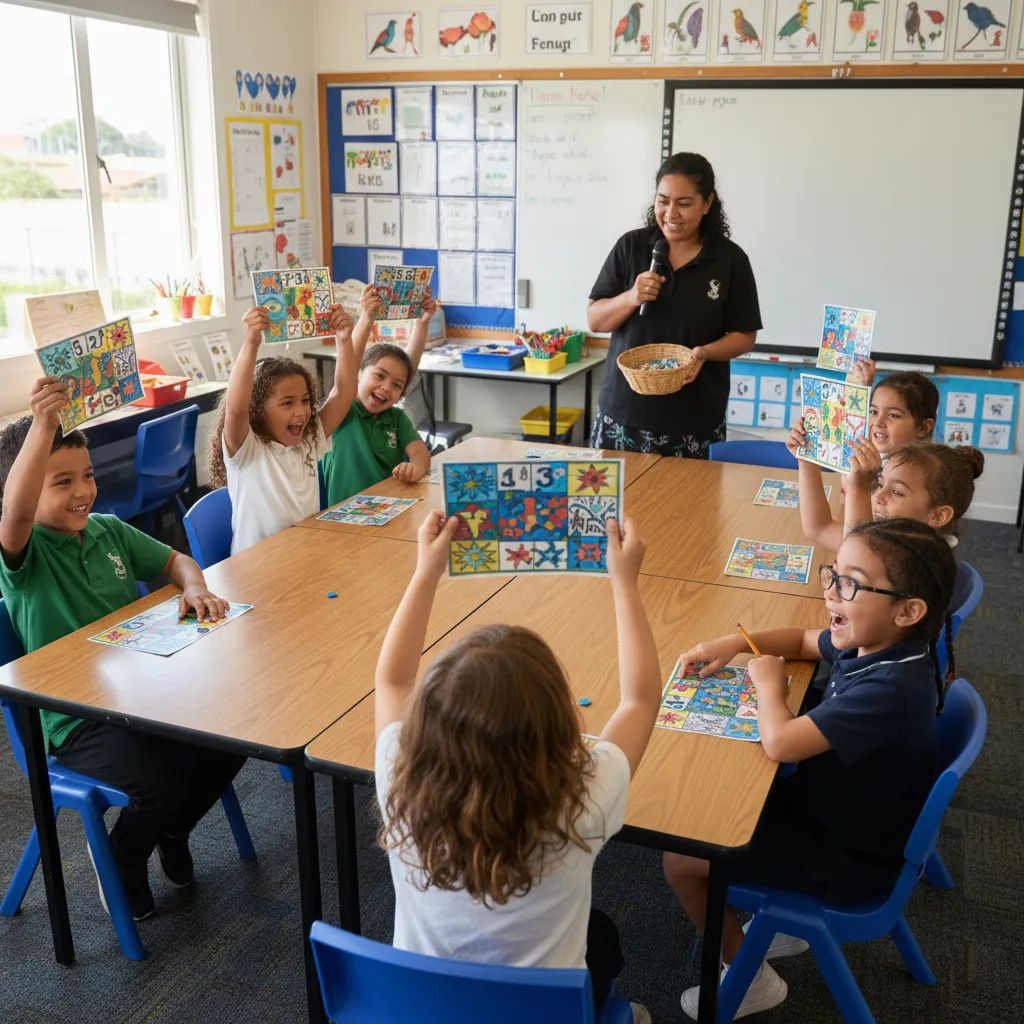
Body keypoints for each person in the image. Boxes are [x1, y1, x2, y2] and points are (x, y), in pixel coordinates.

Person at [663, 517, 957, 1019]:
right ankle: (771, 933)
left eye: (851, 584)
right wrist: (736, 642)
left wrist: (769, 688)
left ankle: (750, 978)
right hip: (841, 813)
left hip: (846, 860)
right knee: (721, 792)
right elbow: (803, 639)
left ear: (908, 610)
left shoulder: (890, 690)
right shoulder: (886, 646)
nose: (832, 594)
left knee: (681, 859)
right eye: (833, 575)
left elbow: (779, 742)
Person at [373, 511, 661, 1022]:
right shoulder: (584, 803)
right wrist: (626, 583)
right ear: (556, 728)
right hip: (539, 1015)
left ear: (425, 726)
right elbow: (639, 701)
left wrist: (425, 572)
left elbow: (392, 682)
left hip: (421, 1011)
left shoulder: (400, 772)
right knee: (603, 938)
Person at [0, 379, 243, 921]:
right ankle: (125, 856)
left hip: (141, 694)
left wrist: (195, 586)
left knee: (235, 738)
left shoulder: (108, 530)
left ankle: (173, 828)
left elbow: (176, 562)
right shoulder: (25, 556)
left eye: (86, 476)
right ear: (22, 491)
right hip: (74, 720)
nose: (83, 490)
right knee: (158, 786)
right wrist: (42, 426)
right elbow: (14, 517)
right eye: (60, 482)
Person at [587, 152, 762, 457]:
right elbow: (595, 320)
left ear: (707, 204)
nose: (671, 213)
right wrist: (632, 296)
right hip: (623, 414)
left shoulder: (730, 260)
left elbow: (745, 335)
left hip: (694, 420)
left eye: (684, 203)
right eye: (663, 201)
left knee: (688, 505)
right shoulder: (631, 246)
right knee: (616, 505)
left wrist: (704, 354)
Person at [206, 302, 356, 553]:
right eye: (287, 403)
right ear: (258, 408)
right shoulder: (247, 450)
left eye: (306, 401)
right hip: (255, 569)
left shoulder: (308, 439)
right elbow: (235, 408)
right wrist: (251, 343)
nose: (301, 411)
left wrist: (344, 339)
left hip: (302, 557)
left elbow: (344, 393)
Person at [319, 283, 435, 505]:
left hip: (387, 510)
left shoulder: (397, 419)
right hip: (343, 518)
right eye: (379, 376)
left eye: (397, 386)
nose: (386, 388)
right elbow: (348, 367)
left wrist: (415, 468)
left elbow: (421, 454)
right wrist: (367, 318)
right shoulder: (343, 412)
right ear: (358, 374)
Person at [790, 435, 984, 550]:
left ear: (938, 515)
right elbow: (819, 528)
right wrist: (807, 462)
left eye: (897, 492)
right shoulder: (892, 535)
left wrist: (859, 489)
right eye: (880, 484)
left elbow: (857, 554)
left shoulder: (910, 559)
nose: (877, 497)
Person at [792, 369, 939, 520]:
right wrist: (807, 455)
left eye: (893, 415)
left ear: (923, 428)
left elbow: (823, 527)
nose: (878, 423)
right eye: (873, 412)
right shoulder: (883, 456)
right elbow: (849, 488)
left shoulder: (917, 478)